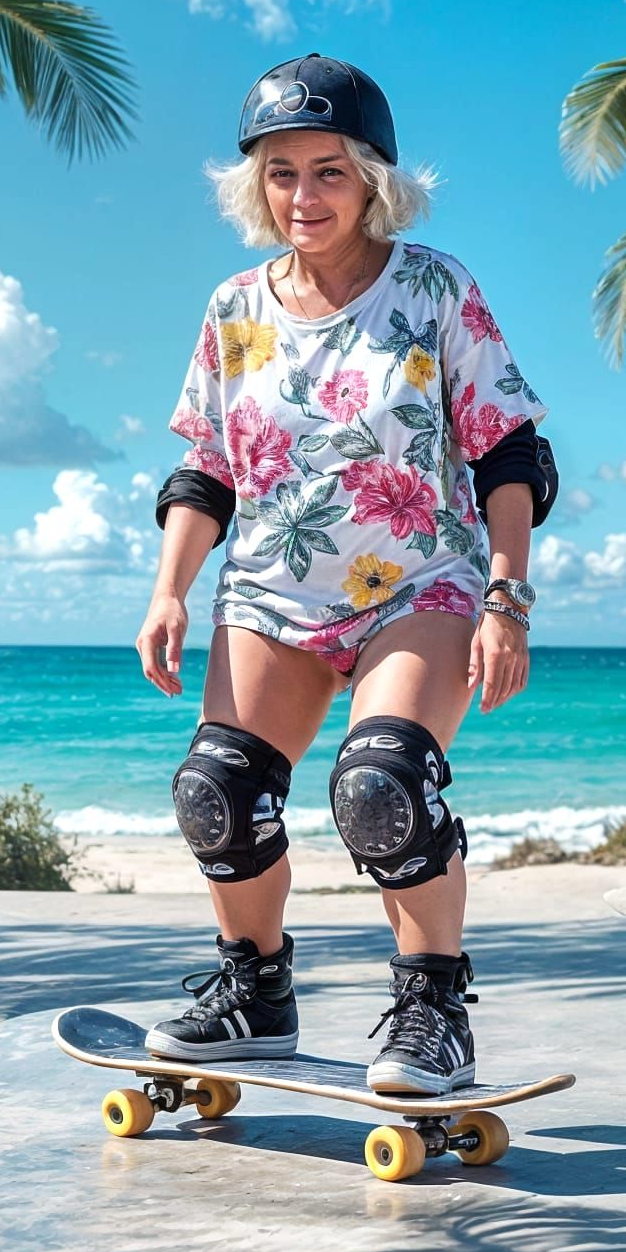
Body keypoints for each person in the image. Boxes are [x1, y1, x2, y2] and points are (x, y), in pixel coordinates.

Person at [134, 53, 556, 1095]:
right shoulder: (233, 306)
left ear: (372, 175)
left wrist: (507, 596)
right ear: (254, 183)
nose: (304, 195)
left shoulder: (433, 289)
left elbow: (510, 452)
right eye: (281, 172)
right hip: (272, 590)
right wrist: (169, 588)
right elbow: (209, 467)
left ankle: (432, 1010)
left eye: (328, 170)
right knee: (217, 794)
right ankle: (255, 993)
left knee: (382, 788)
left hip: (423, 586)